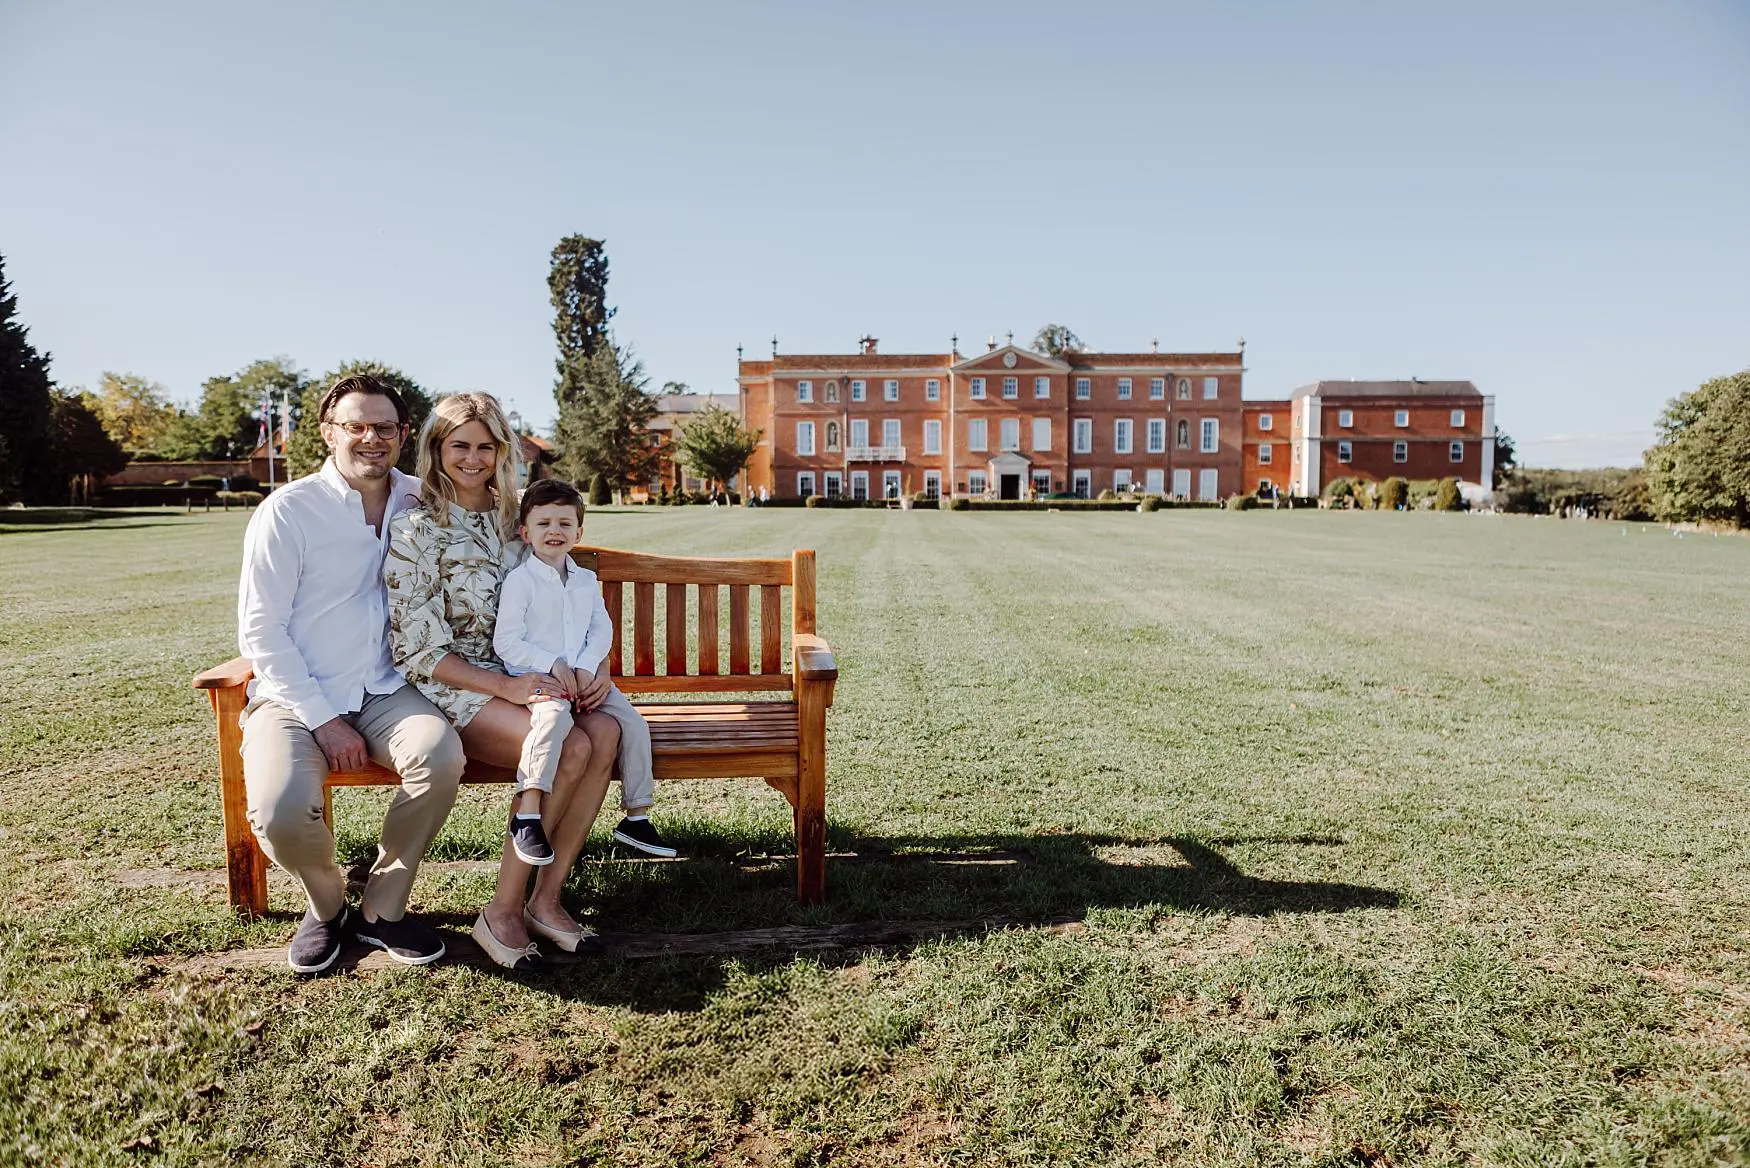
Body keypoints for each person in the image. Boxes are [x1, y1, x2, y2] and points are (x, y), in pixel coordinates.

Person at [237, 373, 465, 975]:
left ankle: (383, 909)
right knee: (281, 810)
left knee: (440, 758)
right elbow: (261, 632)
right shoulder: (288, 511)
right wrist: (324, 720)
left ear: (403, 434)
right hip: (296, 696)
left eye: (383, 427)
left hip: (391, 688)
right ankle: (327, 905)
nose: (370, 438)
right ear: (327, 432)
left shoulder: (424, 500)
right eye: (355, 426)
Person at [384, 392, 619, 970]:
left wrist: (598, 667)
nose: (473, 457)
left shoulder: (521, 516)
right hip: (457, 683)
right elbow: (414, 648)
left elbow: (573, 601)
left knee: (607, 734)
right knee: (573, 746)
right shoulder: (415, 527)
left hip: (538, 673)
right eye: (459, 444)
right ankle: (503, 912)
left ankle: (547, 899)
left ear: (502, 449)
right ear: (436, 448)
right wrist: (506, 688)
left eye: (485, 445)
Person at [494, 478, 674, 862]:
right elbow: (506, 642)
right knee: (553, 720)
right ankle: (528, 813)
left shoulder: (585, 580)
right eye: (543, 524)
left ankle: (636, 817)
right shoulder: (520, 582)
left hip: (586, 680)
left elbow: (601, 628)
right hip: (541, 680)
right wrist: (554, 665)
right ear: (525, 533)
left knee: (634, 724)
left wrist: (587, 667)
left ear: (579, 531)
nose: (554, 531)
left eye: (563, 523)